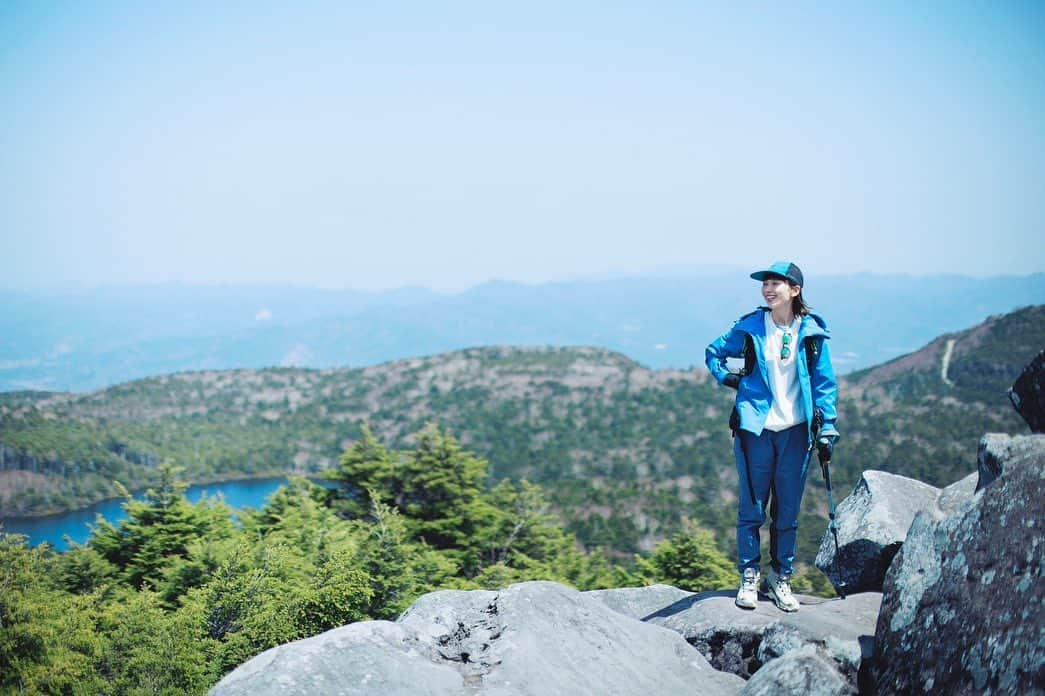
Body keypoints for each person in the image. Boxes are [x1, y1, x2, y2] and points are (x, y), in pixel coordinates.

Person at [705, 261, 838, 612]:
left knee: (788, 512)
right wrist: (729, 379)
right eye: (765, 284)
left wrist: (827, 428)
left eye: (776, 283)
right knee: (752, 509)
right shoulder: (750, 327)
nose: (768, 289)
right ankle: (749, 577)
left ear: (795, 290)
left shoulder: (811, 334)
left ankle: (782, 579)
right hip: (755, 431)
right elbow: (714, 353)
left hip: (796, 432)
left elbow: (824, 383)